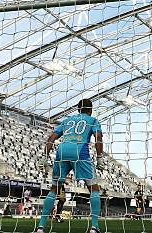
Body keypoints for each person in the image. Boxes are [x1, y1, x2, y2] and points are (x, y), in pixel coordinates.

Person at [36, 99, 104, 233]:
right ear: (91, 110)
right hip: (80, 151)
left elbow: (51, 139)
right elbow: (98, 138)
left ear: (78, 109)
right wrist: (100, 157)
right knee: (94, 189)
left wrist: (44, 156)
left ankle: (41, 227)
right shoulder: (93, 120)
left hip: (62, 151)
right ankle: (95, 227)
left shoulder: (67, 120)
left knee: (54, 189)